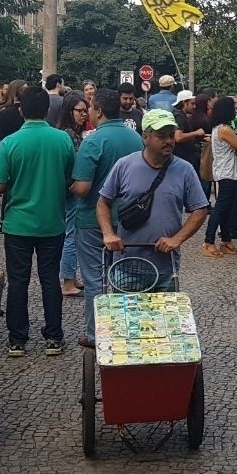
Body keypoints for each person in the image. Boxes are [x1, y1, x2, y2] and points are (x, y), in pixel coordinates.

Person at [0, 84, 76, 357]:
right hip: (52, 222)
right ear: (49, 110)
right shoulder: (62, 140)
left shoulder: (10, 143)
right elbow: (70, 176)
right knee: (50, 280)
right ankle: (53, 337)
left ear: (20, 108)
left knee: (18, 281)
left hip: (18, 223)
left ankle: (17, 339)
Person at [96, 108, 209, 293]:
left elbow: (200, 209)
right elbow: (103, 202)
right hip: (127, 265)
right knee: (128, 321)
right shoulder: (124, 165)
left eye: (171, 135)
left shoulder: (185, 170)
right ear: (145, 137)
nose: (169, 141)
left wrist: (176, 239)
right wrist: (108, 233)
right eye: (161, 136)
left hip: (166, 266)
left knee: (165, 321)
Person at [69, 88, 145, 343]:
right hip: (128, 220)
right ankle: (126, 331)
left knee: (94, 280)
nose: (88, 111)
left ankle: (96, 335)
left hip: (93, 220)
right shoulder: (136, 138)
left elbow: (82, 188)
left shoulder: (93, 140)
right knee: (123, 277)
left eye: (90, 107)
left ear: (99, 110)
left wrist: (65, 186)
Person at [202, 96, 237, 258]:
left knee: (227, 208)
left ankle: (226, 240)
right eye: (233, 108)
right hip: (228, 172)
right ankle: (208, 241)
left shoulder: (218, 128)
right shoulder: (224, 129)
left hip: (228, 172)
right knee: (221, 207)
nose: (235, 111)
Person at [56, 90, 89, 299]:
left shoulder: (73, 133)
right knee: (71, 235)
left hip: (71, 190)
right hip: (71, 191)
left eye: (86, 111)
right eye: (80, 111)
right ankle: (67, 280)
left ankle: (71, 277)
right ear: (70, 111)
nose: (84, 114)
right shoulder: (68, 135)